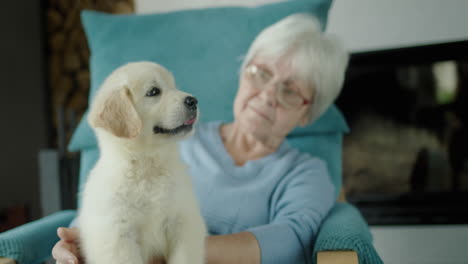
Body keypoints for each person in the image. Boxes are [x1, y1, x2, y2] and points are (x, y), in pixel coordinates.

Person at [52, 13, 349, 264]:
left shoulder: (306, 172)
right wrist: (78, 243)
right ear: (243, 71)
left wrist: (173, 251)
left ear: (308, 114)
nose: (267, 94)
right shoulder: (166, 137)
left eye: (290, 90)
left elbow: (291, 239)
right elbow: (105, 202)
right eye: (261, 73)